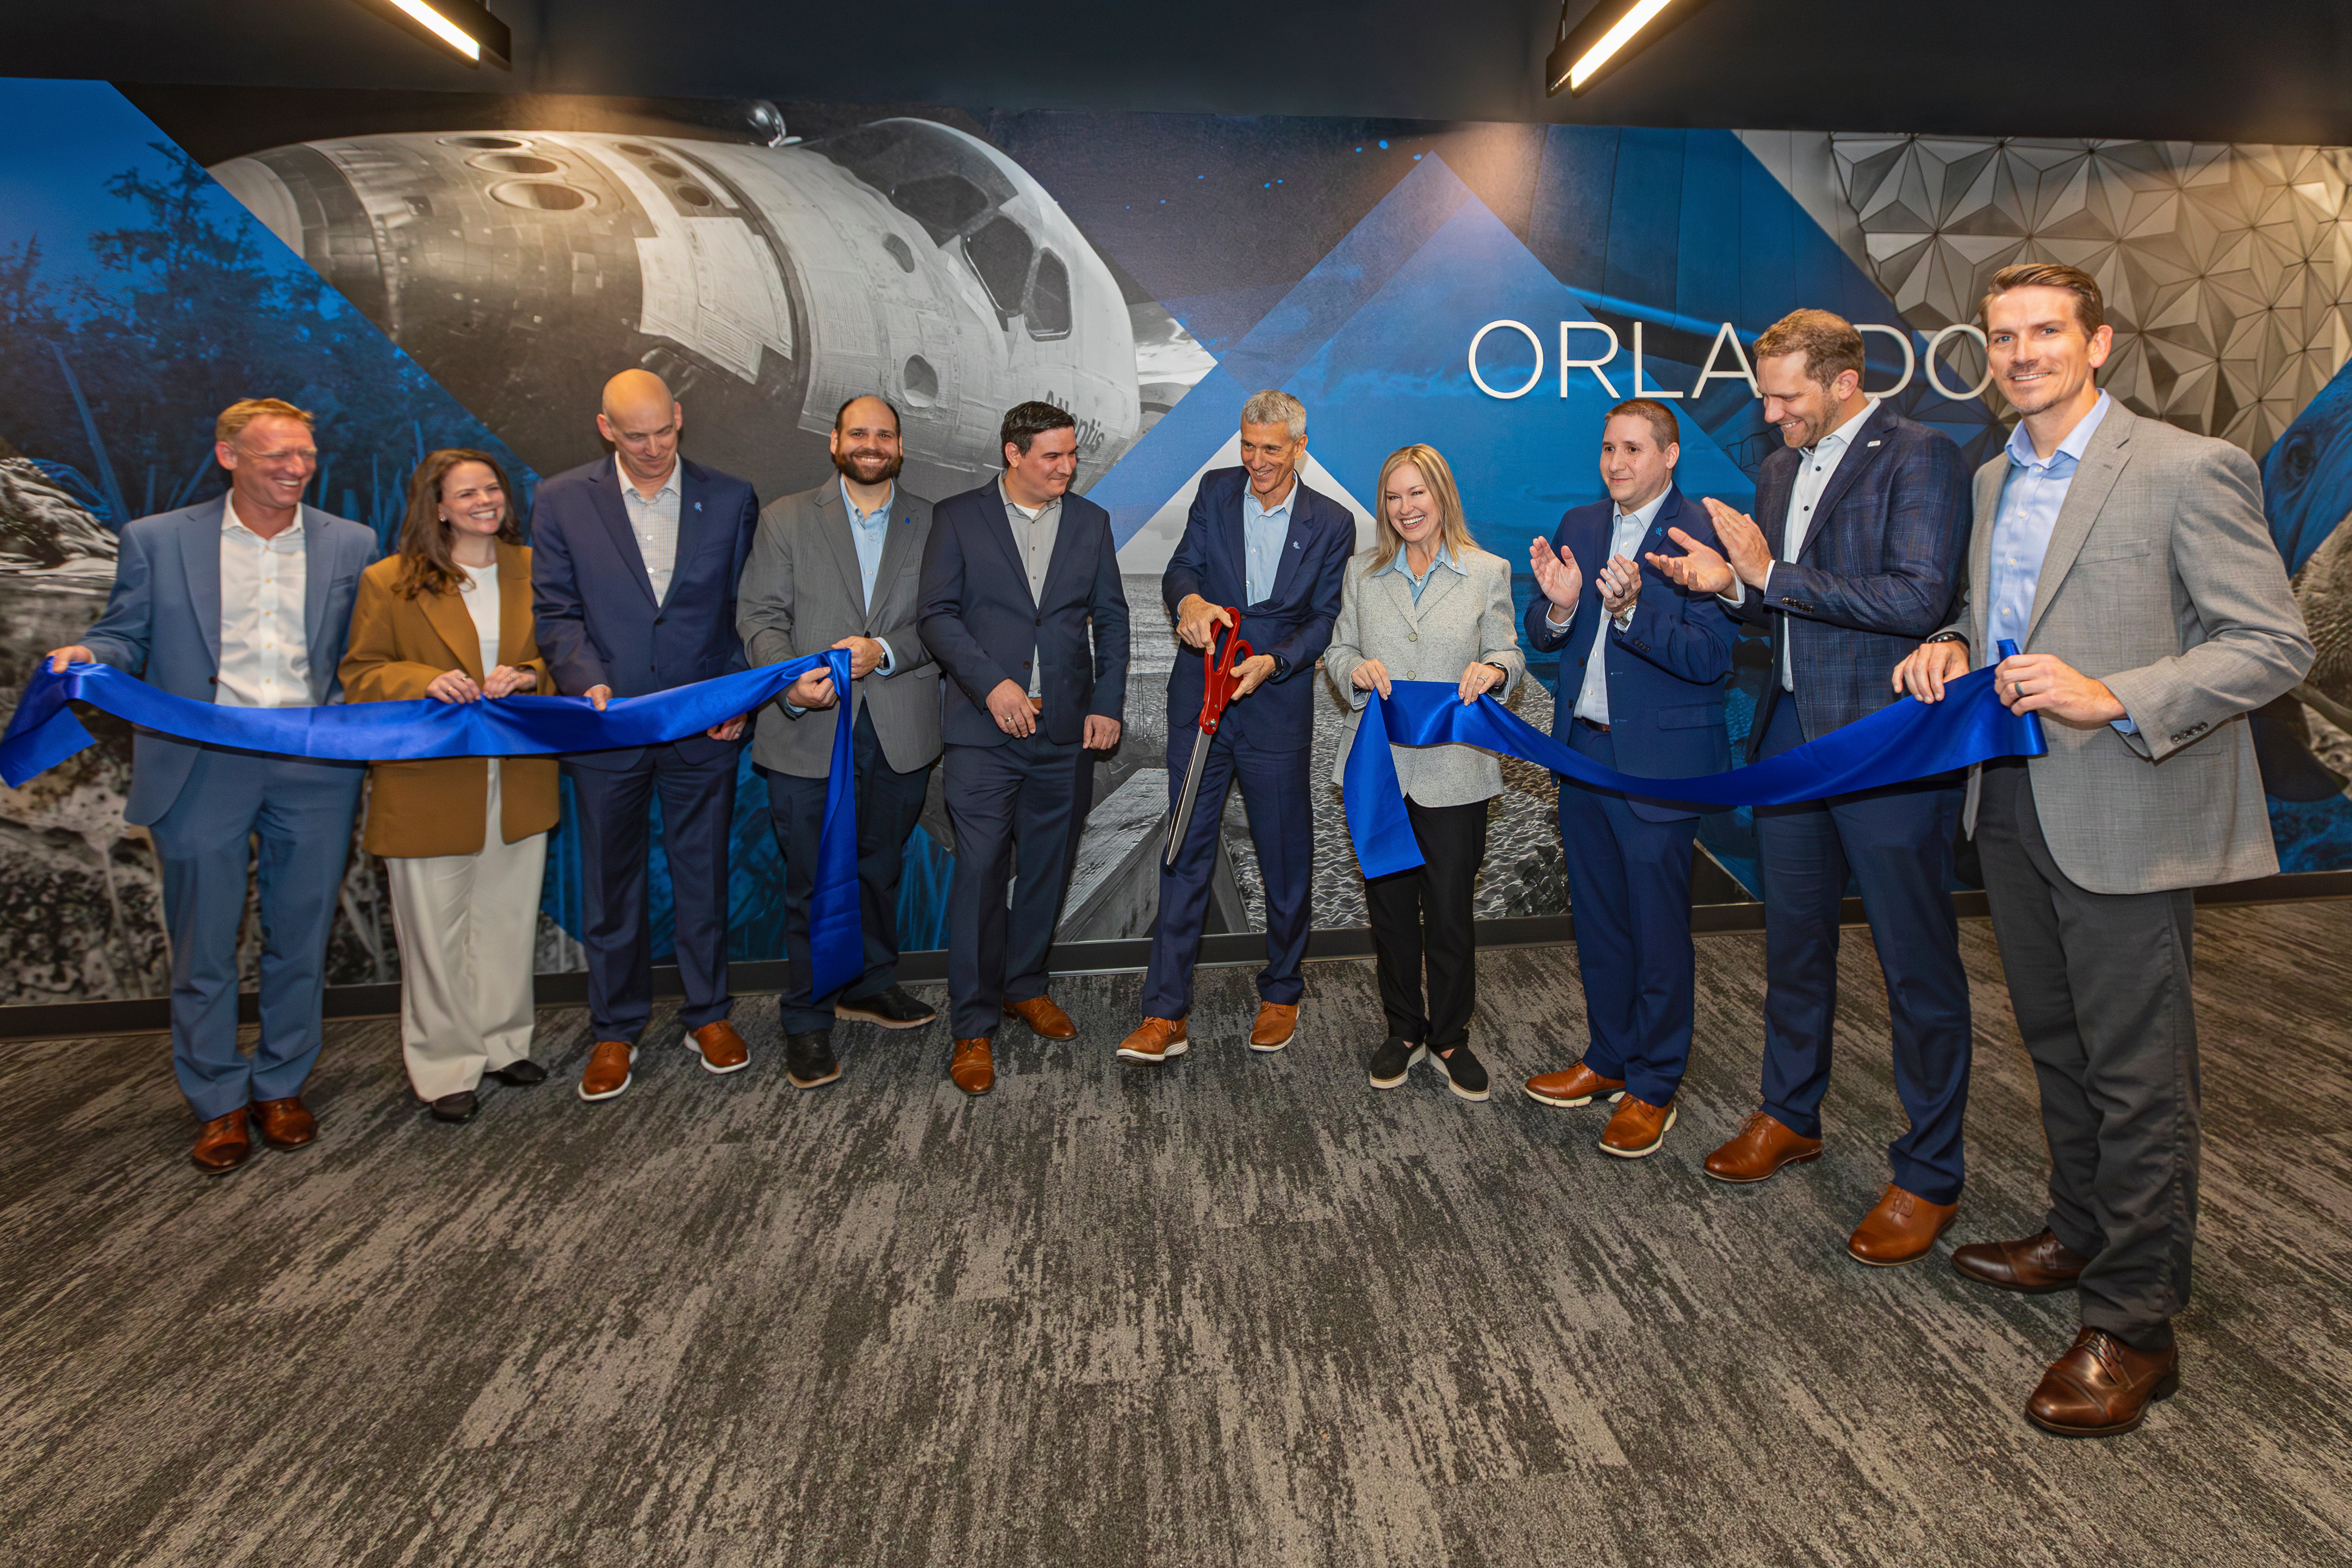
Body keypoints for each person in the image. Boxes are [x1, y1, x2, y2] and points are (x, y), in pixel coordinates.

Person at [1894, 263, 2312, 1437]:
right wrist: (1950, 642)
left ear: (2098, 342)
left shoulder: (2185, 467)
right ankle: (2078, 1231)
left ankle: (2134, 1321)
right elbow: (2002, 620)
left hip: (2126, 804)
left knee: (2138, 1073)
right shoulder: (1993, 477)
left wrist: (2111, 693)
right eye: (2001, 335)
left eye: (2044, 331)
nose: (2020, 352)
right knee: (2058, 1044)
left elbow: (2270, 643)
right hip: (2010, 800)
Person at [1649, 308, 1973, 1265]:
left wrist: (1769, 572)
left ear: (1843, 382)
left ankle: (1928, 1171)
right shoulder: (1779, 469)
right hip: (1790, 731)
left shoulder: (1920, 455)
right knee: (1792, 944)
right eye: (1765, 395)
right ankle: (1790, 1113)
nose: (1770, 412)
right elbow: (1781, 604)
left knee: (1914, 964)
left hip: (1883, 741)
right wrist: (1729, 586)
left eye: (1786, 396)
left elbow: (1917, 597)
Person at [47, 398, 378, 1173]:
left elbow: (365, 649)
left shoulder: (353, 541)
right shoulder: (157, 539)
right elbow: (124, 634)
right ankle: (218, 1099)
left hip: (314, 764)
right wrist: (89, 655)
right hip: (200, 764)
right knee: (204, 944)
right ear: (229, 456)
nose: (296, 469)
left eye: (306, 455)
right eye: (277, 456)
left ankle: (282, 1085)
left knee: (301, 938)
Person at [530, 369, 759, 1102]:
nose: (654, 447)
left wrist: (734, 694)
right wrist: (584, 680)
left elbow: (747, 609)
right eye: (636, 436)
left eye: (664, 431)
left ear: (679, 416)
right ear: (606, 429)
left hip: (702, 725)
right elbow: (555, 612)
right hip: (608, 727)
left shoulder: (731, 496)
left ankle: (708, 1014)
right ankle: (615, 1028)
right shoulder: (562, 499)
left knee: (704, 878)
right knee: (610, 886)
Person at [1519, 399, 1737, 1156]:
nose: (1615, 463)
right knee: (1600, 921)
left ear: (1670, 455)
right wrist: (1558, 610)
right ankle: (1608, 1057)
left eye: (1633, 449)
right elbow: (1543, 630)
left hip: (1660, 767)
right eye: (1608, 448)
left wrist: (1634, 613)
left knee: (1656, 929)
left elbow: (1713, 659)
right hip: (1583, 755)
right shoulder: (1580, 524)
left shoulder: (1704, 533)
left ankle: (1653, 1082)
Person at [1118, 390, 1356, 1065]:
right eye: (1248, 445)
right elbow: (1181, 568)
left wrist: (1275, 661)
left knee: (1285, 857)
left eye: (1271, 449)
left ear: (1299, 448)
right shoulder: (1214, 489)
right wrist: (1189, 601)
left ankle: (1282, 990)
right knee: (1184, 848)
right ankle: (1165, 1011)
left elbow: (1324, 618)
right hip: (1201, 700)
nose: (1256, 460)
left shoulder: (1333, 521)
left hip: (1275, 704)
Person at [339, 449, 558, 1125]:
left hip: (518, 776)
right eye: (466, 493)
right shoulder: (390, 581)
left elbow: (567, 655)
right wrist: (423, 681)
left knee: (507, 920)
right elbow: (360, 674)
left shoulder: (539, 567)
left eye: (492, 488)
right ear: (436, 507)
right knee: (434, 934)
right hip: (428, 784)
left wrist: (530, 674)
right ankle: (445, 1067)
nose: (484, 501)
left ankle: (503, 1044)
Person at [917, 401, 1129, 1096]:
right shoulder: (958, 517)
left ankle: (1026, 985)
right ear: (1013, 454)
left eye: (1072, 455)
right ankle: (973, 1024)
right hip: (984, 734)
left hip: (1064, 733)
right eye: (1052, 457)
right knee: (981, 871)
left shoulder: (1091, 523)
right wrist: (991, 685)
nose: (1068, 468)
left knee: (1047, 866)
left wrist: (1106, 703)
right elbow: (936, 616)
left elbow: (1111, 620)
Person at [738, 395, 941, 1090]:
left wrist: (885, 650)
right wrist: (790, 683)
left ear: (901, 447)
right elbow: (759, 617)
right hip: (809, 729)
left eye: (884, 434)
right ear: (835, 443)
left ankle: (870, 984)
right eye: (858, 433)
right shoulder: (786, 518)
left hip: (898, 730)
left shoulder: (933, 522)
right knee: (812, 880)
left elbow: (944, 620)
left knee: (879, 868)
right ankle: (806, 1017)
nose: (871, 444)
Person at [1323, 444, 1523, 1101]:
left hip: (1456, 773)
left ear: (1442, 496)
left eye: (1417, 493)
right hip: (1378, 770)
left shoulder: (1487, 571)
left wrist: (1493, 671)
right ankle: (1403, 1029)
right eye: (1393, 496)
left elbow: (1507, 653)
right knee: (1388, 913)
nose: (1405, 508)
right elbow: (1338, 650)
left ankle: (1450, 1037)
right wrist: (1352, 669)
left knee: (1449, 915)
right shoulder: (1361, 573)